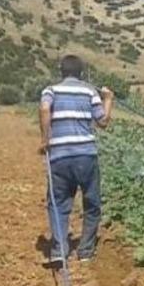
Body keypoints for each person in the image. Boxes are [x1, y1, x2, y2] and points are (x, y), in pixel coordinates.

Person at [39, 55, 114, 265]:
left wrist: (45, 140)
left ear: (60, 71)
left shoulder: (50, 90)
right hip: (86, 156)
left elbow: (44, 109)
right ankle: (86, 250)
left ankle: (59, 250)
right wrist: (108, 99)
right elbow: (103, 122)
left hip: (59, 157)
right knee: (92, 202)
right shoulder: (90, 91)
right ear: (81, 72)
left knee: (58, 203)